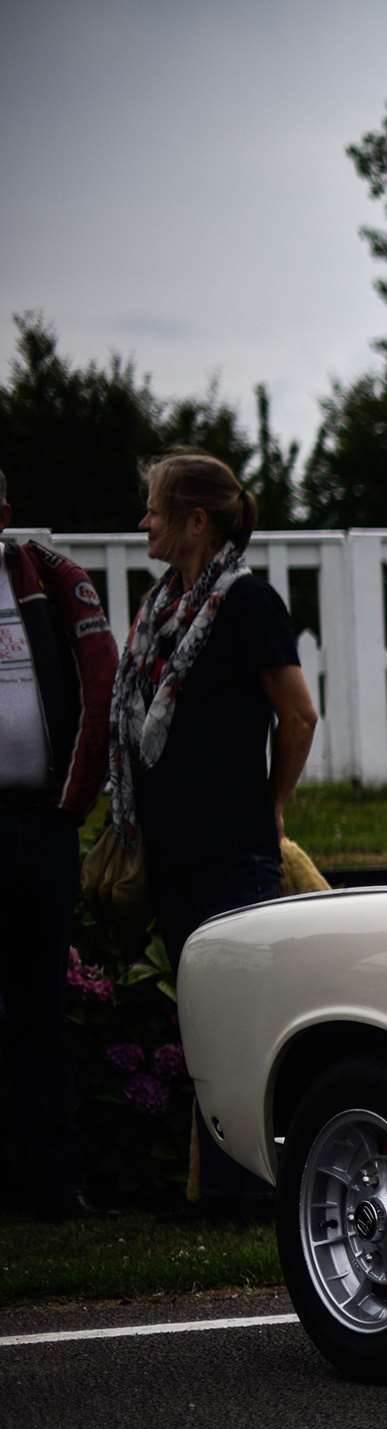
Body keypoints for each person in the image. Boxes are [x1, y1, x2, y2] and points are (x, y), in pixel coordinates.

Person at [101, 450, 318, 1203]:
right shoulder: (164, 607)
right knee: (202, 1028)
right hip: (172, 853)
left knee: (240, 1029)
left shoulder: (247, 603)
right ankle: (217, 1191)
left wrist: (273, 801)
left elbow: (298, 713)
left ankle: (251, 1193)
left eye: (156, 509)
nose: (145, 522)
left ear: (197, 520)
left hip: (230, 848)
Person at [0, 466, 118, 1216]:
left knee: (41, 1012)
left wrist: (70, 806)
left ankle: (51, 1186)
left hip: (41, 826)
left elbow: (101, 689)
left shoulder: (46, 576)